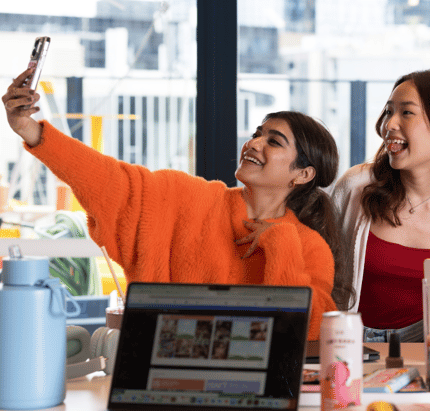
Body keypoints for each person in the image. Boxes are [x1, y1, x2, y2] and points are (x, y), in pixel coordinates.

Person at [3, 67, 339, 341]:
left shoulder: (309, 247)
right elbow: (108, 180)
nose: (253, 143)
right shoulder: (188, 198)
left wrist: (279, 243)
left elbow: (309, 335)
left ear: (303, 173)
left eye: (273, 141)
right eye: (257, 133)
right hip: (164, 377)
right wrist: (30, 130)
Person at [329, 69, 430, 342]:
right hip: (350, 340)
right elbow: (325, 269)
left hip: (425, 343)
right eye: (388, 111)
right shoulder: (357, 185)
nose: (389, 124)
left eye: (406, 112)